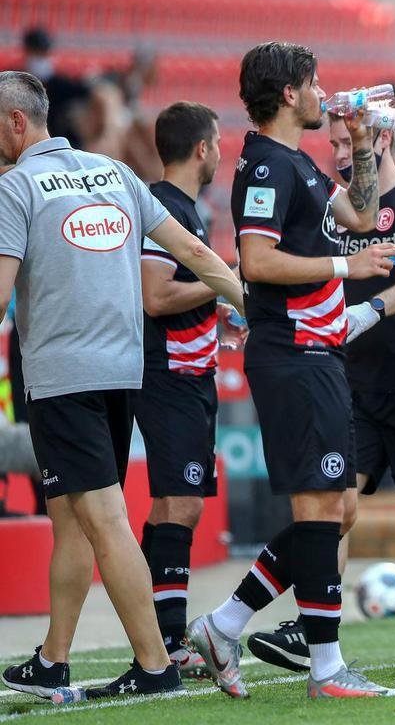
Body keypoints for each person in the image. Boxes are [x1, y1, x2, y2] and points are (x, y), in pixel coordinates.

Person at [0, 71, 245, 702]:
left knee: (103, 521)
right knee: (72, 522)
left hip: (61, 378)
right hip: (121, 372)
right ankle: (53, 660)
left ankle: (155, 665)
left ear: (16, 123)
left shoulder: (15, 187)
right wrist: (245, 299)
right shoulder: (115, 174)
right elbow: (192, 249)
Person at [186, 42, 395, 701]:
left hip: (319, 354)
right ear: (289, 93)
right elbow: (255, 261)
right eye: (315, 84)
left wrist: (363, 145)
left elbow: (362, 216)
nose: (323, 94)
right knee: (319, 505)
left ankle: (224, 625)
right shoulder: (264, 168)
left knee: (336, 508)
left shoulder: (298, 164)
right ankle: (326, 669)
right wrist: (346, 268)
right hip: (294, 354)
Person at [247, 111, 395, 668]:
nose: (341, 154)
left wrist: (372, 308)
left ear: (383, 136)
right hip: (350, 379)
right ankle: (312, 628)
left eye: (350, 142)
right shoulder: (340, 209)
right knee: (338, 504)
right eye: (334, 145)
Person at [133, 101, 245, 679]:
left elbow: (180, 295)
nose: (222, 153)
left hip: (191, 372)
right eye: (219, 143)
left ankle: (158, 635)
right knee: (180, 502)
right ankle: (169, 640)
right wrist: (218, 284)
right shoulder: (164, 210)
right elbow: (156, 296)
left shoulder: (184, 210)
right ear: (202, 148)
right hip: (168, 375)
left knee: (176, 505)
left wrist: (215, 311)